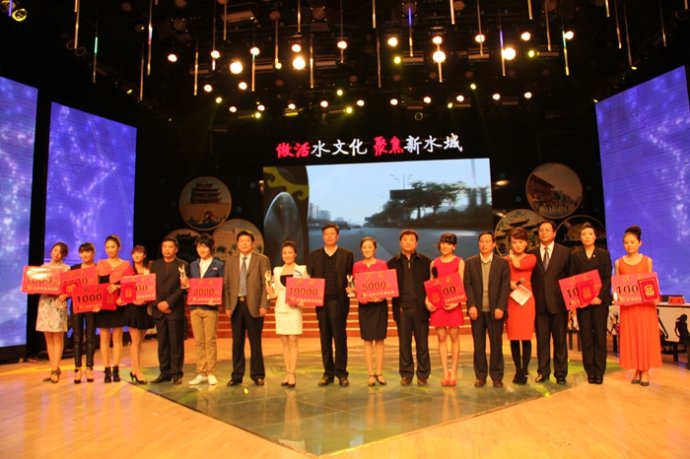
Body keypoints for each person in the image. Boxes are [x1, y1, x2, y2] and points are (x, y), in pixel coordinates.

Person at [614, 225, 661, 386]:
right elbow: (618, 287)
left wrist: (654, 296)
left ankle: (645, 370)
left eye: (632, 242)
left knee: (645, 336)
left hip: (645, 307)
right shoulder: (619, 263)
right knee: (632, 337)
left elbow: (651, 284)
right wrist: (618, 297)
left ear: (640, 243)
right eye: (626, 243)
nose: (629, 245)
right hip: (628, 307)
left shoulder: (647, 261)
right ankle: (636, 369)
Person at [308, 224, 354, 387]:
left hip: (339, 303)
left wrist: (352, 288)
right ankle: (328, 373)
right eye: (326, 234)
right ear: (322, 236)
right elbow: (311, 279)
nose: (329, 236)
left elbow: (351, 278)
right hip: (321, 303)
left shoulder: (347, 255)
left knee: (340, 339)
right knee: (325, 339)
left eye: (332, 233)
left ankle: (341, 373)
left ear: (337, 236)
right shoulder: (314, 256)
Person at [223, 230, 271, 387]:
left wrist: (264, 304)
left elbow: (266, 284)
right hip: (236, 306)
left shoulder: (262, 260)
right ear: (237, 244)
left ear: (252, 243)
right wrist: (227, 306)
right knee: (237, 343)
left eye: (247, 241)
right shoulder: (230, 261)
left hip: (255, 306)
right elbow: (227, 285)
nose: (244, 243)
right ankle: (237, 375)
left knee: (255, 343)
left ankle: (258, 375)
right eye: (241, 241)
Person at [464, 231, 510, 388]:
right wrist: (471, 305)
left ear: (493, 244)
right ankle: (480, 376)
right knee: (479, 346)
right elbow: (467, 285)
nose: (484, 244)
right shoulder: (470, 263)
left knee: (496, 345)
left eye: (487, 241)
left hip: (495, 311)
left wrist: (500, 307)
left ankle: (497, 376)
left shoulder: (502, 263)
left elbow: (505, 286)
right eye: (481, 241)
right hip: (476, 311)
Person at [569, 222, 612, 384]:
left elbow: (607, 277)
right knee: (586, 337)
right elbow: (572, 278)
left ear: (595, 236)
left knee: (600, 337)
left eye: (590, 234)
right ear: (580, 237)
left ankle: (599, 371)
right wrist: (579, 300)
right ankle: (590, 371)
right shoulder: (575, 255)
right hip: (583, 305)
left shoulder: (603, 254)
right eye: (584, 234)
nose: (587, 237)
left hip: (600, 303)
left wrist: (600, 296)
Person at [388, 229, 432, 386]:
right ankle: (406, 374)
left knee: (422, 345)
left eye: (411, 239)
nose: (408, 242)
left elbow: (432, 285)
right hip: (401, 309)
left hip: (421, 309)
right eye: (405, 239)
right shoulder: (391, 264)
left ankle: (423, 374)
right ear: (400, 242)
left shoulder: (426, 262)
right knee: (404, 345)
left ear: (416, 243)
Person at [529, 220, 571, 384]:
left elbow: (570, 277)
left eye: (547, 230)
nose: (544, 233)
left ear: (554, 233)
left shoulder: (565, 252)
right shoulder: (531, 254)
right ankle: (543, 372)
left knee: (560, 341)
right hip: (539, 304)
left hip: (559, 304)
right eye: (541, 230)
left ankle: (560, 373)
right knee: (542, 341)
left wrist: (571, 303)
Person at [425, 233, 465, 387]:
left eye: (449, 244)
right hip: (438, 304)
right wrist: (427, 300)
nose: (445, 246)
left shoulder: (459, 262)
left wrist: (456, 302)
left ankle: (453, 371)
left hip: (454, 304)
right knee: (441, 337)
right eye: (443, 243)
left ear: (454, 246)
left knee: (454, 336)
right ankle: (445, 372)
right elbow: (431, 283)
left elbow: (461, 283)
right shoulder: (434, 262)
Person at [149, 237, 188, 385]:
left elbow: (183, 288)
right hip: (159, 310)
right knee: (163, 343)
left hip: (174, 310)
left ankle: (176, 373)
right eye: (164, 246)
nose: (167, 249)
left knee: (176, 343)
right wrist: (158, 303)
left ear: (176, 249)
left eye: (170, 247)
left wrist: (168, 302)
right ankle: (164, 372)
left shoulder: (183, 265)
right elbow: (150, 285)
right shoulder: (155, 265)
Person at [269, 240, 308, 388]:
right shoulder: (277, 270)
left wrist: (301, 302)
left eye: (290, 252)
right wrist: (268, 288)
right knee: (285, 343)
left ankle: (292, 373)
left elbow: (307, 290)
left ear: (295, 254)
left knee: (293, 341)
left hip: (294, 310)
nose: (287, 255)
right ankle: (287, 372)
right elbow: (275, 293)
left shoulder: (301, 270)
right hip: (280, 309)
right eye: (284, 253)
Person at [352, 237, 390, 387]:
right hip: (365, 307)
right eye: (364, 247)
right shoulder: (357, 266)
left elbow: (388, 285)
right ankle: (370, 374)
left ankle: (379, 373)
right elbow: (356, 287)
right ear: (361, 249)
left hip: (380, 306)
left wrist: (380, 296)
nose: (367, 250)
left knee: (380, 339)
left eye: (370, 247)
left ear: (375, 248)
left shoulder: (383, 264)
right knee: (367, 340)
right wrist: (357, 293)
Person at [187, 235, 225, 387]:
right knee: (198, 342)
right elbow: (190, 285)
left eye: (204, 246)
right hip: (195, 307)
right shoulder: (193, 265)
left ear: (211, 248)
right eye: (199, 246)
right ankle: (201, 372)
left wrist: (216, 298)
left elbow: (222, 286)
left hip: (210, 308)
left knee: (210, 341)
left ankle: (211, 372)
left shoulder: (219, 265)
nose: (201, 249)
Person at [94, 235, 130, 383]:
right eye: (107, 247)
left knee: (117, 337)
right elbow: (95, 286)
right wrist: (95, 303)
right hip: (103, 307)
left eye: (113, 247)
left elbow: (130, 285)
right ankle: (106, 370)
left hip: (118, 305)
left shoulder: (125, 265)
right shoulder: (100, 265)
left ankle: (116, 369)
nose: (110, 250)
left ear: (119, 248)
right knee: (104, 338)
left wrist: (118, 287)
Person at [504, 228, 537, 385]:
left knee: (525, 336)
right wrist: (508, 283)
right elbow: (501, 278)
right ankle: (518, 369)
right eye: (514, 242)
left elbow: (518, 265)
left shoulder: (531, 258)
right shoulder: (505, 261)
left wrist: (511, 257)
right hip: (511, 300)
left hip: (526, 300)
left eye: (520, 242)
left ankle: (525, 370)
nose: (517, 245)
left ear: (526, 244)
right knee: (514, 337)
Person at [36, 242, 70, 383]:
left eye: (60, 252)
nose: (56, 253)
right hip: (45, 304)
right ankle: (53, 367)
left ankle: (55, 370)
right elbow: (34, 284)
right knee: (48, 338)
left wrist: (65, 295)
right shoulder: (42, 268)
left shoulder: (66, 269)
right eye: (55, 250)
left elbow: (71, 288)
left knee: (57, 337)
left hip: (58, 304)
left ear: (64, 255)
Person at [122, 245, 155, 384]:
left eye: (139, 253)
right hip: (133, 308)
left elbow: (152, 289)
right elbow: (125, 290)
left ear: (144, 255)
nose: (136, 255)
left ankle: (134, 370)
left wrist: (146, 300)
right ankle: (138, 371)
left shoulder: (149, 270)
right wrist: (134, 300)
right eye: (134, 253)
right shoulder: (128, 271)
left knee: (140, 341)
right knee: (135, 341)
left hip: (145, 308)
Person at [70, 242, 97, 383]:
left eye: (88, 251)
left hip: (92, 307)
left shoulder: (98, 268)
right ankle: (77, 369)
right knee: (77, 338)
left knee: (90, 337)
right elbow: (68, 288)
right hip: (77, 306)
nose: (85, 254)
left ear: (93, 253)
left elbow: (101, 288)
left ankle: (89, 367)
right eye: (82, 252)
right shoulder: (74, 269)